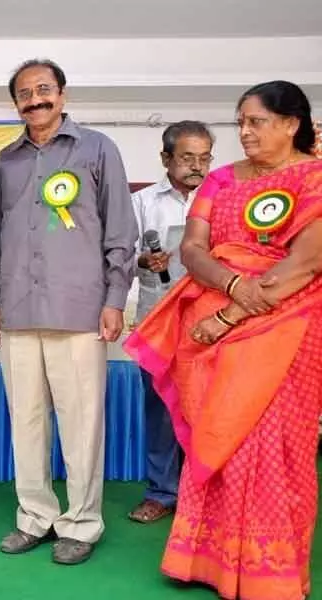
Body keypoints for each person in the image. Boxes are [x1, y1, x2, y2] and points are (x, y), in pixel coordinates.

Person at [125, 80, 322, 600]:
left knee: (273, 444)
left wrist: (231, 316)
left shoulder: (317, 177)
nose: (245, 132)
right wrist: (233, 285)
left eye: (255, 121)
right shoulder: (221, 180)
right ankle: (206, 561)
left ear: (290, 124)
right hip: (214, 315)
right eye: (241, 122)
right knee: (218, 438)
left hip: (288, 323)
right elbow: (192, 247)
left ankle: (267, 570)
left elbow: (307, 261)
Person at [0, 59, 137, 565]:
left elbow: (120, 235)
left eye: (43, 89)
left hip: (80, 313)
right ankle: (35, 517)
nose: (35, 99)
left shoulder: (97, 149)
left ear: (63, 94)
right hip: (19, 314)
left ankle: (82, 523)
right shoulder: (6, 161)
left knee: (81, 422)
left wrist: (114, 301)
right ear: (16, 103)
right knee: (24, 422)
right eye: (25, 93)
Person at [127, 121, 214, 524]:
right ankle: (161, 493)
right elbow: (119, 254)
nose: (197, 166)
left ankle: (205, 494)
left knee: (208, 409)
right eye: (187, 158)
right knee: (161, 408)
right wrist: (143, 260)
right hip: (157, 318)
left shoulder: (222, 198)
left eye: (204, 158)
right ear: (166, 159)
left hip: (210, 322)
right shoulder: (142, 202)